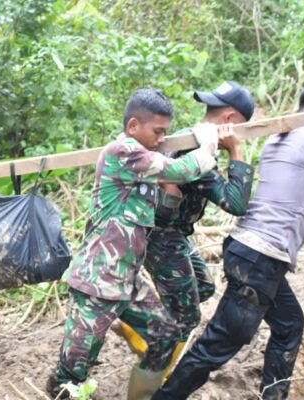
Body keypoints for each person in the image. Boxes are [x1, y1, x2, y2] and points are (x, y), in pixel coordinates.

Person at [152, 81, 304, 400]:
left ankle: (274, 395)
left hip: (250, 252)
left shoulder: (282, 134)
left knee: (290, 324)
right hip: (261, 259)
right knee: (215, 347)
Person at [46, 89, 221, 400]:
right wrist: (208, 144)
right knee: (72, 374)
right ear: (132, 127)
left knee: (165, 334)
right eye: (158, 132)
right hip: (96, 281)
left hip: (126, 280)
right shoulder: (122, 151)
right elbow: (181, 169)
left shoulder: (143, 167)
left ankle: (142, 396)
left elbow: (166, 203)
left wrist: (171, 192)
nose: (162, 139)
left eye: (166, 132)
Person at [113, 82, 255, 374]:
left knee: (203, 287)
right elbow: (236, 204)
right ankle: (151, 374)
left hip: (174, 234)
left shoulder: (189, 139)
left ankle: (141, 327)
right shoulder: (195, 149)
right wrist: (237, 151)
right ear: (230, 120)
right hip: (160, 237)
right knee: (186, 317)